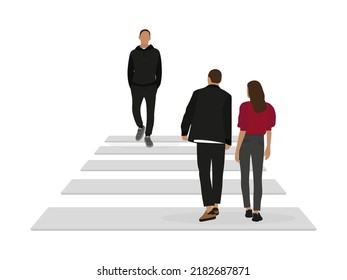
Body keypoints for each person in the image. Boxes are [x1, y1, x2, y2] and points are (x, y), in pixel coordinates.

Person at [181, 69, 232, 222]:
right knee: (218, 173)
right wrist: (228, 140)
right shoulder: (226, 96)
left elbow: (188, 112)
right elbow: (227, 118)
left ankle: (209, 207)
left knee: (204, 173)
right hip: (218, 140)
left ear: (208, 78)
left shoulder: (198, 93)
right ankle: (216, 204)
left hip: (202, 139)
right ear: (220, 80)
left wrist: (185, 130)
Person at [235, 80, 276, 222]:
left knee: (244, 176)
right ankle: (257, 211)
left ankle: (247, 208)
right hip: (259, 142)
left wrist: (237, 149)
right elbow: (269, 129)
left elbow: (243, 129)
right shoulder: (268, 107)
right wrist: (268, 146)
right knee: (258, 178)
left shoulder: (245, 107)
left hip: (246, 142)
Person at [127, 29, 162, 147]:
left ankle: (148, 135)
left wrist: (156, 85)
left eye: (147, 36)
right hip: (136, 86)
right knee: (135, 109)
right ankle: (140, 126)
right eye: (143, 36)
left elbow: (159, 70)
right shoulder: (133, 53)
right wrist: (131, 85)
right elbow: (129, 70)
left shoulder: (156, 52)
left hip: (151, 86)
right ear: (139, 37)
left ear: (150, 38)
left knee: (150, 112)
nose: (145, 38)